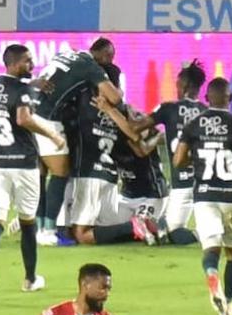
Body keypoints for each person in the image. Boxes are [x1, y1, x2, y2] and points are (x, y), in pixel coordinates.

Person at [0, 44, 67, 298]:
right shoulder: (23, 89)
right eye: (27, 61)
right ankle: (30, 278)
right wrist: (53, 136)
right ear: (13, 64)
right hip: (23, 164)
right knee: (27, 223)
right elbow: (24, 119)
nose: (32, 65)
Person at [175, 77, 232, 315]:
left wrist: (198, 160)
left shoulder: (193, 124)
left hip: (204, 197)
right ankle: (228, 304)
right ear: (230, 98)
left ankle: (212, 276)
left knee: (211, 249)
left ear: (207, 99)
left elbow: (178, 160)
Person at [33, 39, 123, 245]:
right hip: (45, 117)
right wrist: (118, 92)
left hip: (29, 110)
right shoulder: (90, 66)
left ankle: (36, 227)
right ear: (102, 54)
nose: (109, 62)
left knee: (40, 173)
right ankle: (47, 232)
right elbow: (114, 98)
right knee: (61, 171)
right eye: (109, 57)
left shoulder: (66, 53)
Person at [60, 88, 159, 246]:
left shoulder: (85, 106)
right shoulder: (120, 115)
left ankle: (134, 225)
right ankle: (141, 231)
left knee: (82, 236)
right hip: (110, 177)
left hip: (90, 174)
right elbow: (137, 140)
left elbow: (139, 142)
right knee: (87, 230)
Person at [131, 59, 206, 245]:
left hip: (182, 184)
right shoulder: (207, 112)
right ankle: (209, 232)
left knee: (174, 233)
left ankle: (203, 233)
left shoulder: (168, 109)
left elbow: (136, 128)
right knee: (196, 228)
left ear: (185, 85)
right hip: (205, 183)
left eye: (178, 85)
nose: (177, 89)